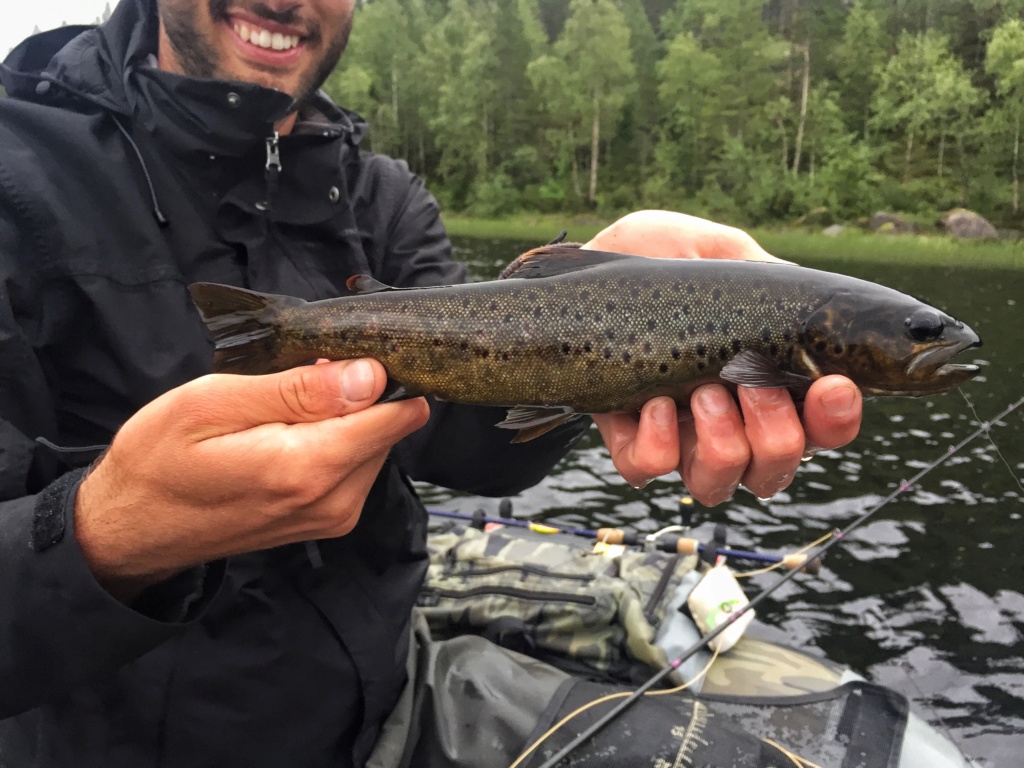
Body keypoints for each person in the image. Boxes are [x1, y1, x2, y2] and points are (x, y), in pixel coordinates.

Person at [0, 0, 863, 765]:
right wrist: (106, 534)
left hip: (385, 698)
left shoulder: (378, 196)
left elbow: (471, 447)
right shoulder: (15, 176)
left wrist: (606, 311)